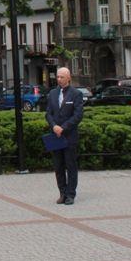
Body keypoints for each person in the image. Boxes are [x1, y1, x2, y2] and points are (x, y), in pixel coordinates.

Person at [45, 67, 84, 205]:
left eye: (62, 77)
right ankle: (62, 192)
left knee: (70, 165)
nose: (59, 79)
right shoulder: (52, 93)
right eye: (58, 77)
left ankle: (70, 194)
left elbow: (78, 115)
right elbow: (48, 113)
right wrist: (54, 126)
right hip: (55, 135)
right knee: (58, 166)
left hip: (69, 136)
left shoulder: (76, 94)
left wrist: (64, 127)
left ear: (68, 78)